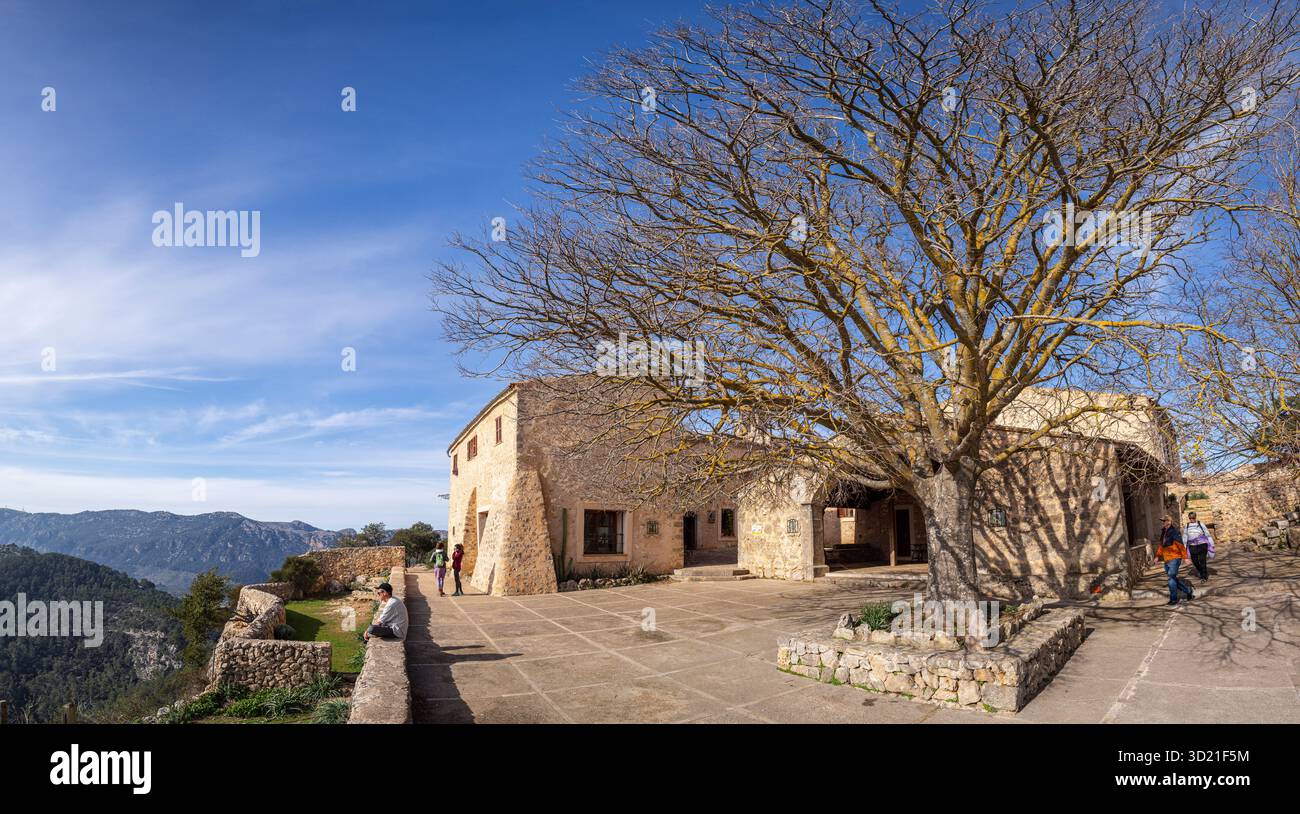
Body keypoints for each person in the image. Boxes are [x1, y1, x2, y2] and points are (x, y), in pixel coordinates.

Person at [1156, 515, 1194, 606]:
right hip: (1166, 559)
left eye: (1164, 521)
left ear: (1169, 522)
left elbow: (1180, 545)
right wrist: (1157, 556)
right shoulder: (1163, 532)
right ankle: (1188, 591)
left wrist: (1185, 557)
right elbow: (1161, 546)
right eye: (1162, 521)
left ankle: (1173, 599)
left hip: (1175, 558)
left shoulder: (1174, 532)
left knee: (1170, 577)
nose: (1163, 523)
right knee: (1172, 578)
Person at [1183, 511, 1214, 583]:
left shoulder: (1200, 524)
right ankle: (1200, 570)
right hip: (1192, 546)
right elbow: (1185, 536)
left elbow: (1207, 533)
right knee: (1195, 561)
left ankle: (1204, 576)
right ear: (1189, 518)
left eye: (1193, 518)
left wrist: (1211, 544)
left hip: (1202, 545)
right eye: (1190, 518)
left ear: (1195, 517)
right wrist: (1184, 547)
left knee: (1202, 560)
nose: (1191, 519)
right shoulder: (1187, 526)